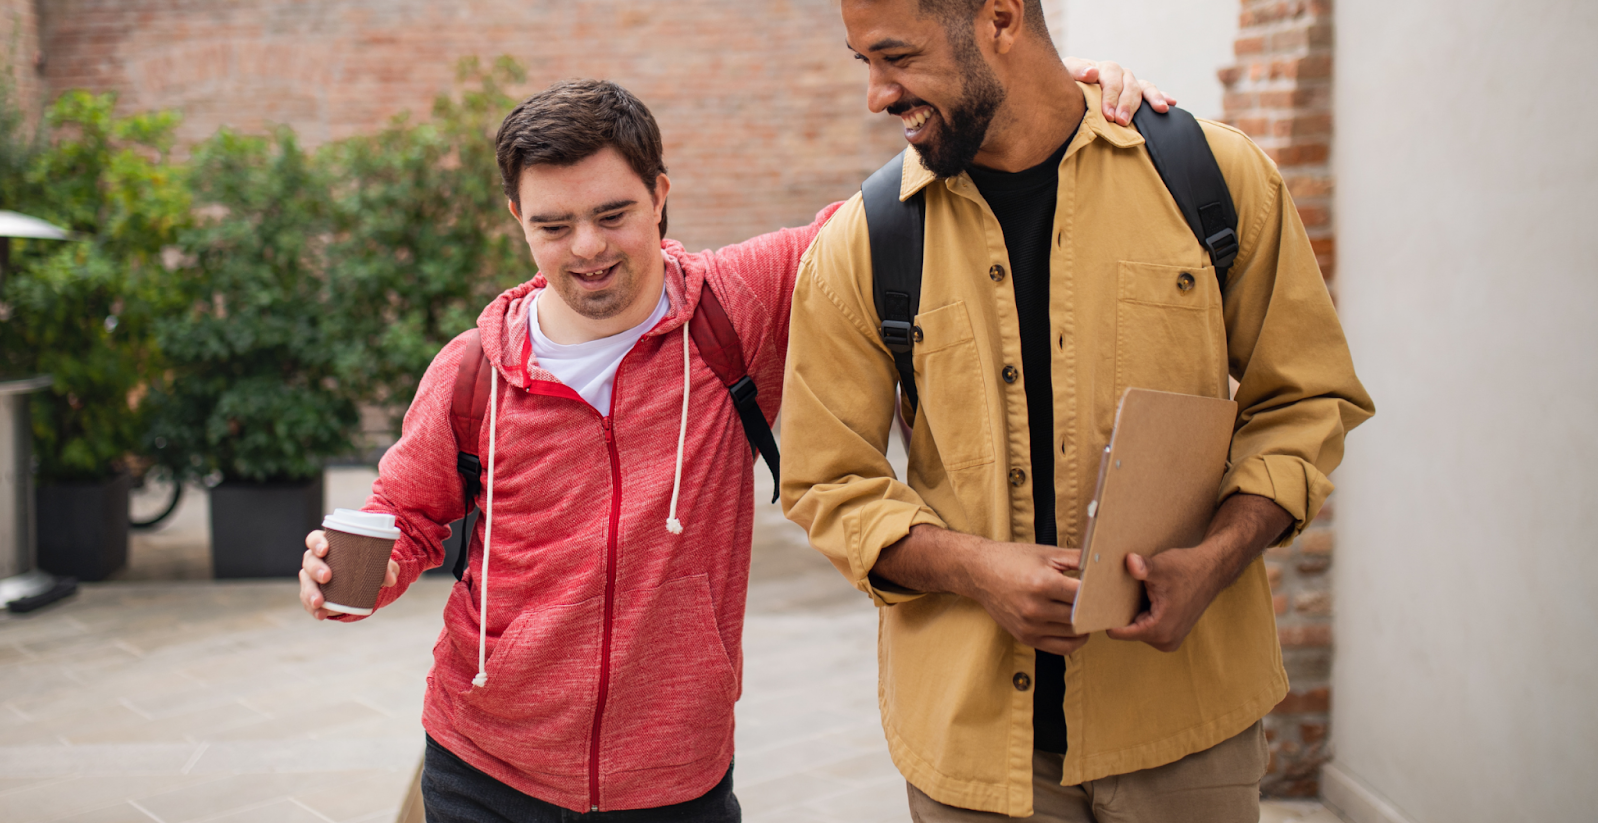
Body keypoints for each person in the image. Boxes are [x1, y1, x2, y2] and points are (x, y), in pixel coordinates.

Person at [299, 66, 1165, 820]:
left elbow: (894, 202)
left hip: (675, 777)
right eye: (553, 226)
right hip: (483, 763)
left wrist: (1043, 94)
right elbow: (406, 517)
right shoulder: (475, 368)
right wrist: (348, 580)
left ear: (662, 193)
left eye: (613, 214)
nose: (589, 249)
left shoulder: (734, 307)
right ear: (516, 218)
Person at [779, 0, 1374, 823]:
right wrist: (976, 569)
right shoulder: (863, 242)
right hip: (972, 752)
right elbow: (825, 482)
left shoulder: (1214, 178)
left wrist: (1216, 558)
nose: (878, 95)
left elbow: (1306, 405)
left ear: (1001, 20)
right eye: (866, 64)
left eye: (897, 57)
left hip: (1187, 727)